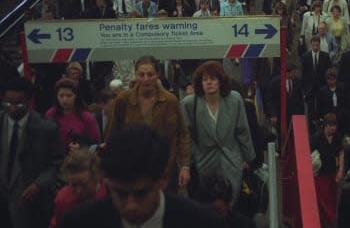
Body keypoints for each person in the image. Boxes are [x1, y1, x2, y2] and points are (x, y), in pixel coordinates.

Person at [60, 125, 221, 228]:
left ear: (163, 181)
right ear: (107, 183)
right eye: (121, 194)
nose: (131, 206)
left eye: (141, 193)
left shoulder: (202, 223)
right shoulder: (79, 223)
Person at [105, 56, 191, 193]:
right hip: (132, 169)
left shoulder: (170, 100)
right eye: (141, 74)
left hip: (165, 170)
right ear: (136, 75)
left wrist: (185, 167)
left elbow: (183, 134)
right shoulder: (123, 99)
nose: (146, 79)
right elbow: (111, 133)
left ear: (158, 75)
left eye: (150, 74)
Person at [181, 61, 255, 204]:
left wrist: (247, 158)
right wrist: (192, 158)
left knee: (231, 201)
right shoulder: (189, 103)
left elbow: (242, 130)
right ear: (200, 83)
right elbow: (186, 134)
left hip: (231, 158)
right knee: (207, 203)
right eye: (205, 79)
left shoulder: (234, 100)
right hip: (204, 160)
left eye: (213, 79)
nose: (209, 82)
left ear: (221, 81)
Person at [0, 77, 63, 228]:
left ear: (29, 100)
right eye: (8, 103)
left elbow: (57, 164)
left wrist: (39, 184)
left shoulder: (46, 128)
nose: (13, 108)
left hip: (30, 203)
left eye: (19, 104)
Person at [50, 148, 108, 228]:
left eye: (83, 185)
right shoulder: (62, 200)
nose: (78, 191)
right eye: (74, 185)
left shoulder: (112, 196)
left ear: (96, 177)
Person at [45, 78, 100, 154]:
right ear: (56, 96)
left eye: (69, 95)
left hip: (78, 161)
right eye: (61, 95)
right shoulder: (50, 114)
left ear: (76, 96)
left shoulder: (86, 117)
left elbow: (95, 145)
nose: (65, 100)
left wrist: (81, 147)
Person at [311, 113, 344, 227]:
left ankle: (331, 222)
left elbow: (340, 152)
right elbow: (311, 155)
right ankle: (325, 222)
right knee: (323, 201)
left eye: (334, 125)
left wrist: (340, 170)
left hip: (332, 174)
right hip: (320, 175)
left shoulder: (337, 137)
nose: (332, 128)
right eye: (330, 125)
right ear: (325, 125)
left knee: (333, 199)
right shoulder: (316, 138)